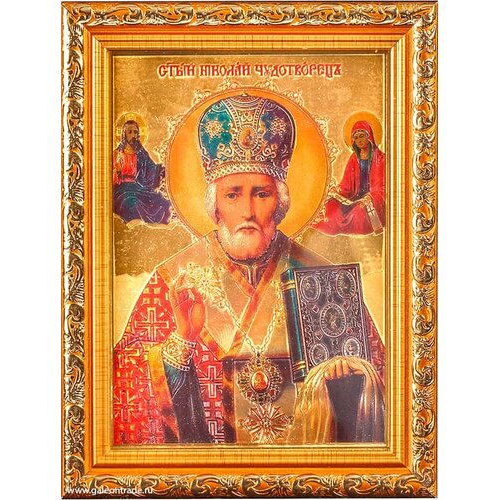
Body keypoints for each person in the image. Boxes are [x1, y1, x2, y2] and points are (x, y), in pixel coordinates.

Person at [113, 95, 385, 445]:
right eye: (232, 195)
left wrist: (348, 380)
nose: (247, 211)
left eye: (261, 194)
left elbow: (382, 383)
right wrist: (181, 343)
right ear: (214, 204)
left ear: (280, 202)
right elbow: (126, 385)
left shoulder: (325, 278)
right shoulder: (173, 279)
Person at [314, 120, 385, 235]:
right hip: (354, 199)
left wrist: (370, 197)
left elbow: (382, 187)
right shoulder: (354, 158)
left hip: (371, 200)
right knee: (330, 205)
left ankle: (347, 226)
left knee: (358, 214)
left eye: (362, 136)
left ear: (369, 137)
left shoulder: (380, 159)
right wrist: (337, 190)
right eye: (356, 138)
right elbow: (346, 185)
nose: (359, 140)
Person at [113, 120, 171, 224]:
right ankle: (135, 226)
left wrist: (163, 169)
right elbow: (109, 179)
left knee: (163, 200)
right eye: (129, 132)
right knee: (132, 203)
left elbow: (152, 169)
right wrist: (117, 171)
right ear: (124, 134)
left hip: (139, 187)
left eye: (135, 132)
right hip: (123, 189)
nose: (133, 135)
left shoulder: (141, 153)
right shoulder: (117, 154)